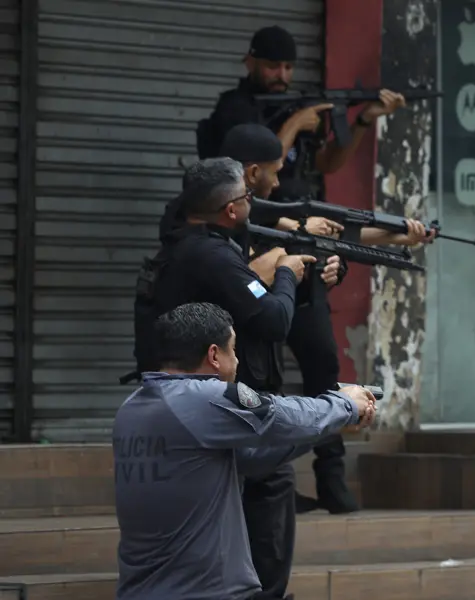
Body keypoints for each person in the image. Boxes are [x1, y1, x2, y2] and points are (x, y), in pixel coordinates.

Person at [198, 26, 433, 516]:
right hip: (252, 250)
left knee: (323, 363)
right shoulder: (235, 115)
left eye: (288, 67)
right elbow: (239, 177)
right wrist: (292, 126)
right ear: (250, 62)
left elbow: (328, 160)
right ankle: (262, 478)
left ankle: (330, 478)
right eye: (272, 66)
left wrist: (363, 120)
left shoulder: (297, 121)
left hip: (301, 244)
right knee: (256, 369)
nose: (281, 76)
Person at [132, 157, 309, 599]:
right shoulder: (211, 255)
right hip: (217, 406)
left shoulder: (180, 244)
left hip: (175, 404)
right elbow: (272, 320)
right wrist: (287, 274)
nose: (253, 202)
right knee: (270, 485)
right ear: (231, 209)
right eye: (247, 197)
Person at [114, 302, 377, 600]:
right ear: (214, 355)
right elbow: (281, 414)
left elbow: (248, 459)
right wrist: (343, 404)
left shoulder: (133, 407)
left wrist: (329, 427)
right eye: (234, 350)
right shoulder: (204, 397)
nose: (237, 362)